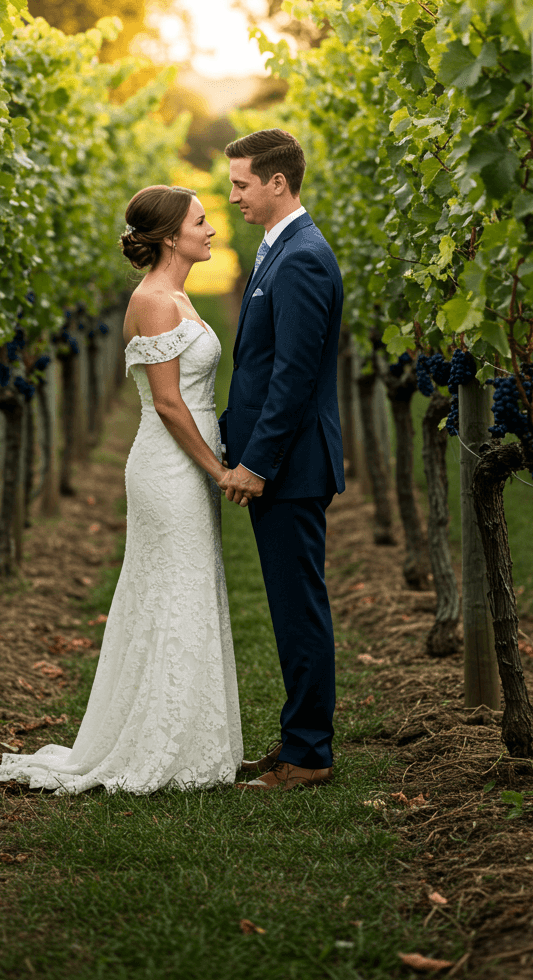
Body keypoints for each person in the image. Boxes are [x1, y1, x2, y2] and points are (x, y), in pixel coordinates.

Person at [0, 185, 243, 794]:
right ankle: (161, 746)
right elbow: (167, 403)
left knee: (184, 588)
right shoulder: (154, 299)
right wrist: (219, 470)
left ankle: (191, 738)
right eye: (201, 222)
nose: (211, 231)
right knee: (170, 592)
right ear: (168, 237)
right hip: (170, 465)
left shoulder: (177, 293)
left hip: (186, 461)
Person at [220, 128, 344, 792]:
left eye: (241, 184)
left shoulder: (301, 257)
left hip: (292, 467)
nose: (232, 195)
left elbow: (294, 376)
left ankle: (308, 755)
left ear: (277, 182)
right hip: (283, 461)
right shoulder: (280, 248)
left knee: (299, 610)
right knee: (292, 606)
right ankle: (298, 739)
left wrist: (256, 462)